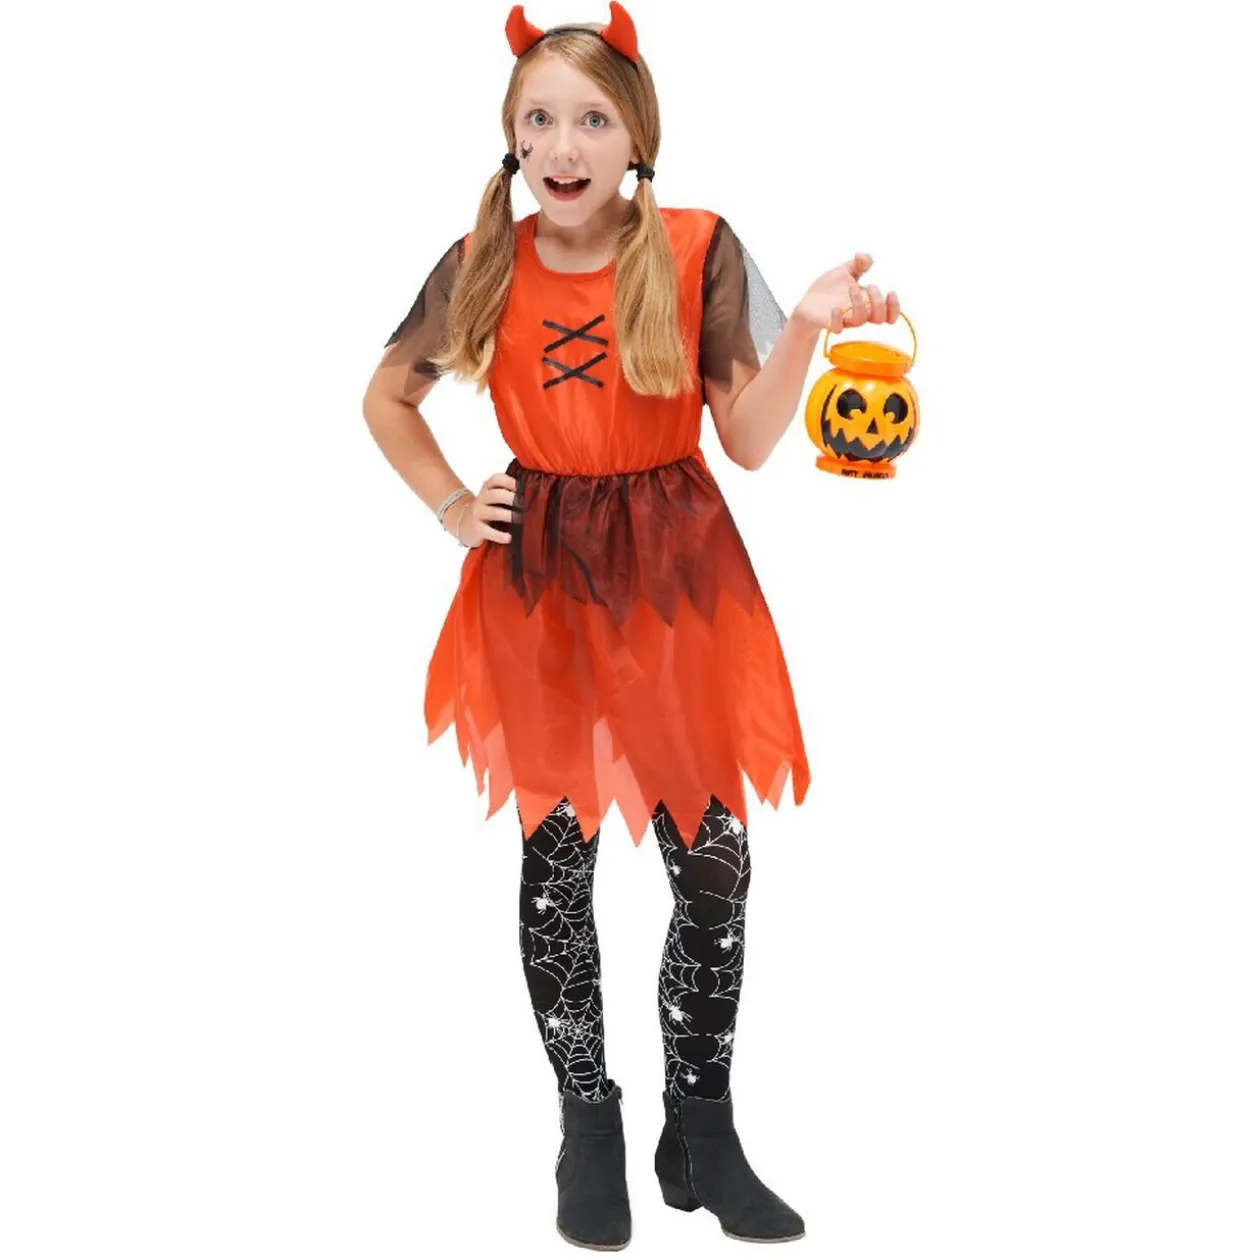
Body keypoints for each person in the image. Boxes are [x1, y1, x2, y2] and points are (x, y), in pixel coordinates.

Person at [361, 3, 900, 1249]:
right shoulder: (482, 259)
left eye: (593, 119)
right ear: (512, 137)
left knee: (712, 858)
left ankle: (700, 1129)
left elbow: (749, 442)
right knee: (558, 861)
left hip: (675, 582)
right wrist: (453, 506)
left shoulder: (698, 249)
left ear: (637, 136)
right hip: (542, 584)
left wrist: (805, 327)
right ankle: (586, 1127)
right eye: (539, 120)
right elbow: (387, 398)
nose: (564, 145)